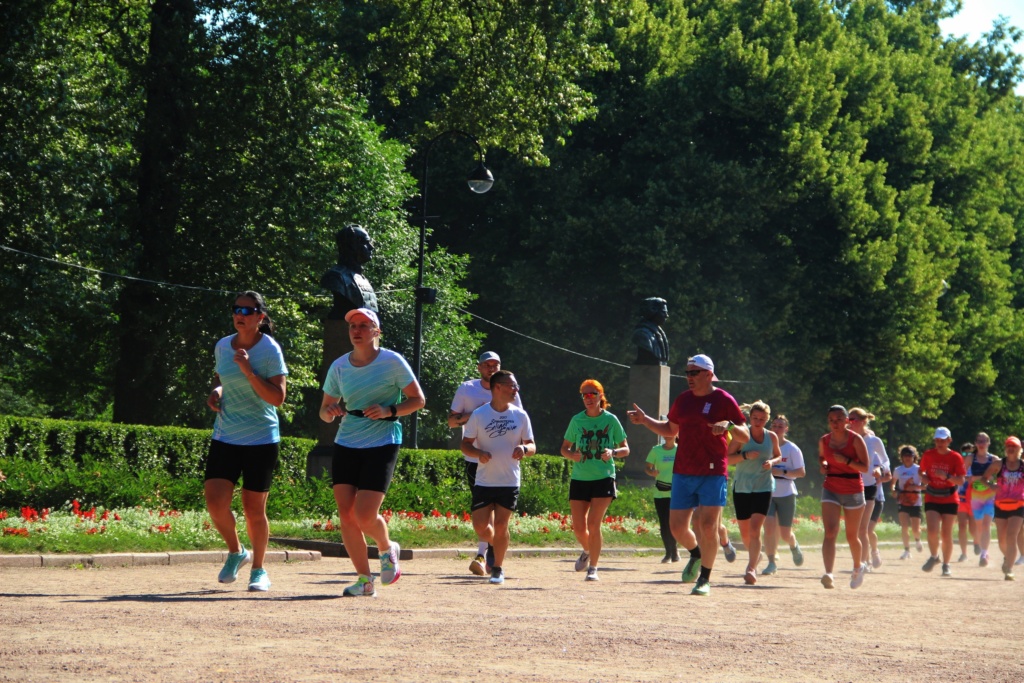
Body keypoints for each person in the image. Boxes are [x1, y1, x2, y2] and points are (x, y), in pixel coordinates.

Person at [320, 308, 425, 598]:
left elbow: (418, 400)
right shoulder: (339, 366)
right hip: (347, 442)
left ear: (376, 331)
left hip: (383, 442)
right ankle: (364, 580)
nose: (357, 330)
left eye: (364, 325)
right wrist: (330, 411)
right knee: (346, 514)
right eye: (353, 325)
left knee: (364, 514)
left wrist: (389, 410)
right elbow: (324, 412)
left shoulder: (392, 362)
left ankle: (386, 548)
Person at [627, 354, 749, 597]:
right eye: (687, 373)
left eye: (694, 373)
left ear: (708, 374)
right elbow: (670, 429)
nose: (689, 377)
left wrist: (730, 426)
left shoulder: (723, 399)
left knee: (707, 525)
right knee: (677, 528)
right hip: (683, 471)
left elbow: (745, 435)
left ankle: (704, 578)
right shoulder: (683, 400)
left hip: (713, 472)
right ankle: (695, 554)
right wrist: (645, 421)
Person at [204, 291, 288, 592]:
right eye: (236, 309)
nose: (240, 314)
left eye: (248, 310)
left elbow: (277, 398)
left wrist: (249, 371)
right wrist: (218, 392)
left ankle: (259, 569)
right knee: (215, 502)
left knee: (254, 509)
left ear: (260, 317)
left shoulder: (270, 350)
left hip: (261, 438)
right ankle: (237, 551)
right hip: (226, 434)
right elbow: (221, 379)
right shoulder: (222, 346)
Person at [448, 351, 523, 576]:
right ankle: (492, 547)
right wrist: (478, 415)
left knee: (497, 513)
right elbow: (452, 421)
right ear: (479, 368)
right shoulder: (467, 389)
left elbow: (520, 420)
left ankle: (484, 555)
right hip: (475, 458)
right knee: (482, 513)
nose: (491, 368)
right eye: (487, 365)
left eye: (496, 364)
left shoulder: (511, 389)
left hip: (503, 460)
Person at [461, 370, 535, 585]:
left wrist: (524, 447)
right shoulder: (479, 415)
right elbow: (465, 444)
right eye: (512, 386)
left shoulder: (520, 415)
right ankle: (498, 544)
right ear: (498, 387)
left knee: (502, 525)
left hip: (509, 480)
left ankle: (498, 568)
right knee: (481, 527)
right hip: (484, 480)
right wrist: (478, 453)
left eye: (516, 386)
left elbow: (532, 445)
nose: (516, 389)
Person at [561, 379, 629, 581]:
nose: (588, 398)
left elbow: (626, 449)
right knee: (579, 527)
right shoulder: (576, 420)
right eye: (585, 395)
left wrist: (613, 451)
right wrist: (571, 455)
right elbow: (564, 448)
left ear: (601, 396)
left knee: (594, 523)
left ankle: (594, 569)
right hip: (580, 478)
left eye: (592, 394)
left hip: (604, 477)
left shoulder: (611, 420)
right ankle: (588, 550)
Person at [725, 401, 782, 585]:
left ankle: (751, 568)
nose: (758, 421)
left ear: (767, 419)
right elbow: (726, 459)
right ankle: (755, 557)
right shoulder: (742, 435)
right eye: (755, 418)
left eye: (762, 419)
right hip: (742, 486)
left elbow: (778, 455)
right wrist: (744, 456)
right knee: (745, 532)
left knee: (756, 529)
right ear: (750, 417)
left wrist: (772, 463)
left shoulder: (771, 436)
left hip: (763, 486)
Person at [817, 405, 871, 589]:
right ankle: (829, 573)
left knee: (851, 536)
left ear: (847, 420)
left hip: (853, 490)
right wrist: (823, 465)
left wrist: (846, 461)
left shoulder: (855, 440)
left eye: (839, 419)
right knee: (830, 532)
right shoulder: (824, 440)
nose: (835, 423)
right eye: (832, 420)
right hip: (831, 486)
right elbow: (822, 458)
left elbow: (865, 467)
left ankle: (858, 567)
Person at [919, 427, 967, 577]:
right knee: (932, 531)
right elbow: (920, 471)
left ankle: (946, 564)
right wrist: (924, 478)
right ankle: (934, 557)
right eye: (937, 440)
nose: (939, 443)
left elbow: (961, 480)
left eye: (943, 440)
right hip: (932, 496)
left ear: (949, 441)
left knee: (946, 534)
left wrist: (946, 476)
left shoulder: (955, 457)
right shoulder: (928, 455)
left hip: (949, 498)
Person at [762, 414, 806, 575]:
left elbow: (801, 472)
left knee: (785, 533)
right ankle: (771, 562)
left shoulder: (792, 448)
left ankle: (793, 546)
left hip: (786, 492)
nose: (777, 428)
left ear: (786, 429)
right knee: (768, 527)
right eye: (774, 425)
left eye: (780, 426)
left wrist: (782, 471)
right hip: (767, 490)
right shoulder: (765, 446)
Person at [847, 408, 890, 571]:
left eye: (853, 420)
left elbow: (886, 460)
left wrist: (880, 469)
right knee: (853, 530)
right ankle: (861, 560)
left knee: (863, 529)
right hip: (850, 485)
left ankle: (862, 563)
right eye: (848, 419)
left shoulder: (873, 441)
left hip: (869, 486)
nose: (849, 423)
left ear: (863, 421)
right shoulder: (847, 439)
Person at [984, 436, 1024, 580]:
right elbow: (983, 478)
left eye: (1014, 446)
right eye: (1008, 446)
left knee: (1011, 536)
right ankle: (1008, 558)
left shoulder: (1023, 465)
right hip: (1001, 505)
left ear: (1019, 449)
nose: (1011, 448)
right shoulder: (998, 464)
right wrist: (991, 486)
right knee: (1002, 539)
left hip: (1018, 505)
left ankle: (1009, 569)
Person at [967, 432, 999, 568]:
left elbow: (1002, 476)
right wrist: (974, 478)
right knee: (978, 527)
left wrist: (995, 482)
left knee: (986, 524)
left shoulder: (994, 460)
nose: (981, 443)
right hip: (976, 496)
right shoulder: (970, 458)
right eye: (979, 441)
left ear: (988, 443)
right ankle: (983, 549)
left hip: (990, 496)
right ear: (975, 443)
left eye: (984, 441)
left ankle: (984, 554)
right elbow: (963, 476)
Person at [645, 436, 680, 563]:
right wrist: (651, 472)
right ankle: (668, 553)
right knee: (664, 524)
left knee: (673, 524)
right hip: (660, 492)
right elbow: (647, 467)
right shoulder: (656, 450)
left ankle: (675, 551)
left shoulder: (680, 450)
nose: (668, 435)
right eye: (666, 433)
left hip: (676, 492)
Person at [892, 445, 924, 559]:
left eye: (910, 455)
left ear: (914, 456)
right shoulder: (898, 470)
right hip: (903, 500)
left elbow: (926, 485)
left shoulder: (918, 469)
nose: (907, 458)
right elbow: (893, 482)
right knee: (904, 526)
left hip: (916, 501)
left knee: (915, 529)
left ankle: (918, 539)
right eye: (905, 455)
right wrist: (893, 490)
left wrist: (916, 487)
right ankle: (906, 550)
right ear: (901, 457)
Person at [955, 441, 976, 562]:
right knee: (962, 526)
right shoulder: (958, 466)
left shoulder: (977, 466)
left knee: (973, 529)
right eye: (964, 452)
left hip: (974, 499)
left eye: (970, 452)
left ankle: (978, 544)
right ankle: (964, 553)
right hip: (961, 499)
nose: (967, 454)